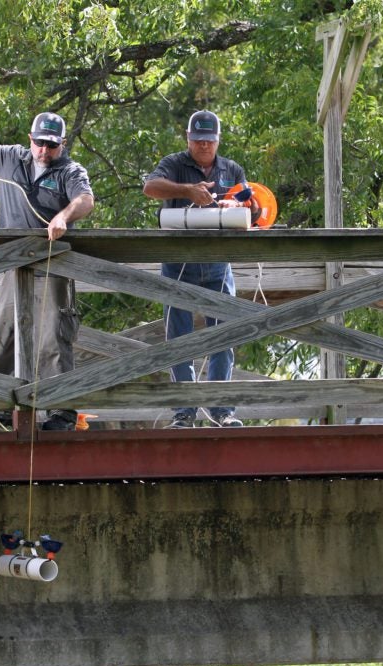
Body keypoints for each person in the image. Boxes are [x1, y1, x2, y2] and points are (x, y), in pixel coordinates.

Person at [0, 96, 94, 431]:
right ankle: (1, 411)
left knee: (53, 337)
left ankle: (61, 411)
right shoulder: (12, 158)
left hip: (52, 265)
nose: (44, 151)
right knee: (2, 331)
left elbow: (86, 199)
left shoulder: (70, 171)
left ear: (62, 145)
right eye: (40, 143)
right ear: (30, 140)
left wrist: (63, 216)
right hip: (12, 265)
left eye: (52, 145)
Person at [143, 110, 258, 429]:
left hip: (219, 265)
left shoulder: (231, 168)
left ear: (218, 140)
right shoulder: (174, 164)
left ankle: (222, 410)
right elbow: (150, 187)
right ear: (188, 138)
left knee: (223, 336)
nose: (204, 146)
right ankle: (184, 411)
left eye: (209, 140)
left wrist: (240, 206)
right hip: (178, 264)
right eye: (198, 140)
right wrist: (187, 191)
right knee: (178, 338)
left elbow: (254, 205)